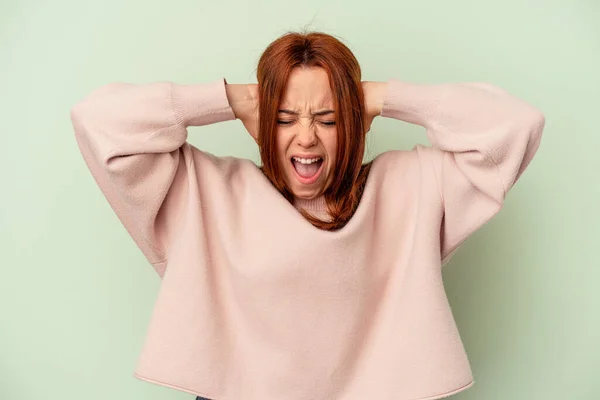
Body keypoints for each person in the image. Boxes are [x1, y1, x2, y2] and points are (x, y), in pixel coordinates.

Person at [70, 31, 545, 400]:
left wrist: (379, 96)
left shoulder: (409, 190)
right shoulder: (205, 195)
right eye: (283, 118)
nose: (306, 138)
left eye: (329, 118)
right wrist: (234, 100)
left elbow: (515, 126)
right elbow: (99, 121)